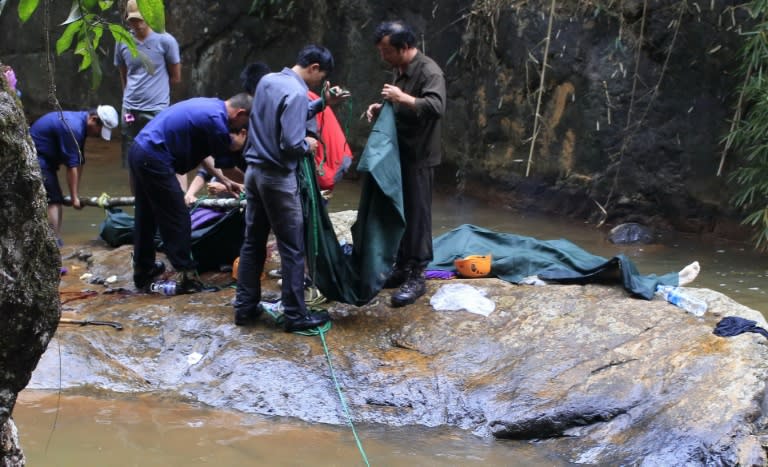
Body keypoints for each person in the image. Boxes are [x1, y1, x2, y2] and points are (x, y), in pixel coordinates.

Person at [233, 45, 348, 331]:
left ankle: (245, 308)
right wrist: (306, 145)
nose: (320, 82)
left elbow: (283, 114)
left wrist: (321, 103)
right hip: (277, 178)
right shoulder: (296, 92)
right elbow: (290, 143)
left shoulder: (269, 81)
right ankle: (296, 315)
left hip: (254, 173)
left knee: (252, 242)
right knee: (293, 248)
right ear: (313, 68)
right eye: (321, 77)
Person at [129, 94, 251, 293]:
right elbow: (227, 167)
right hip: (155, 156)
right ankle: (186, 276)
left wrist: (227, 182)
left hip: (140, 149)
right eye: (244, 123)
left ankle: (143, 271)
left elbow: (206, 158)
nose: (239, 129)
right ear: (240, 113)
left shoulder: (211, 107)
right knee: (177, 215)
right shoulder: (218, 123)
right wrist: (256, 183)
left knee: (146, 215)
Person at [365, 20, 446, 307]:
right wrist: (383, 107)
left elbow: (436, 107)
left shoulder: (429, 71)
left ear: (404, 48)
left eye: (386, 51)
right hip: (399, 153)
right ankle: (400, 267)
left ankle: (417, 274)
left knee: (418, 214)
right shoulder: (399, 71)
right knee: (399, 209)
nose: (383, 57)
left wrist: (403, 97)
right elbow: (401, 106)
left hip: (420, 155)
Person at [114, 0, 181, 191]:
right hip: (131, 109)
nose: (137, 24)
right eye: (133, 20)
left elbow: (175, 77)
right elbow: (123, 75)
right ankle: (138, 204)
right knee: (133, 159)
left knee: (163, 156)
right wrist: (130, 98)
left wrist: (155, 92)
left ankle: (168, 197)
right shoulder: (123, 41)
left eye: (140, 19)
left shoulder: (166, 41)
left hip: (156, 109)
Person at [30, 106, 119, 245]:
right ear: (93, 119)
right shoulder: (74, 128)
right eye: (100, 130)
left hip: (46, 160)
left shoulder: (80, 124)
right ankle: (52, 243)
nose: (98, 134)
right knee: (53, 200)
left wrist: (75, 195)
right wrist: (74, 198)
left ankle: (55, 240)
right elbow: (71, 167)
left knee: (56, 198)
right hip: (36, 158)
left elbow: (79, 161)